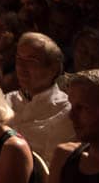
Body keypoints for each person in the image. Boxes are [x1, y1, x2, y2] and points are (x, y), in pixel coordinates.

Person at [9, 32, 76, 168]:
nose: (21, 67)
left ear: (53, 68)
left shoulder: (67, 111)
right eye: (19, 59)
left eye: (31, 61)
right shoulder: (6, 100)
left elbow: (54, 169)